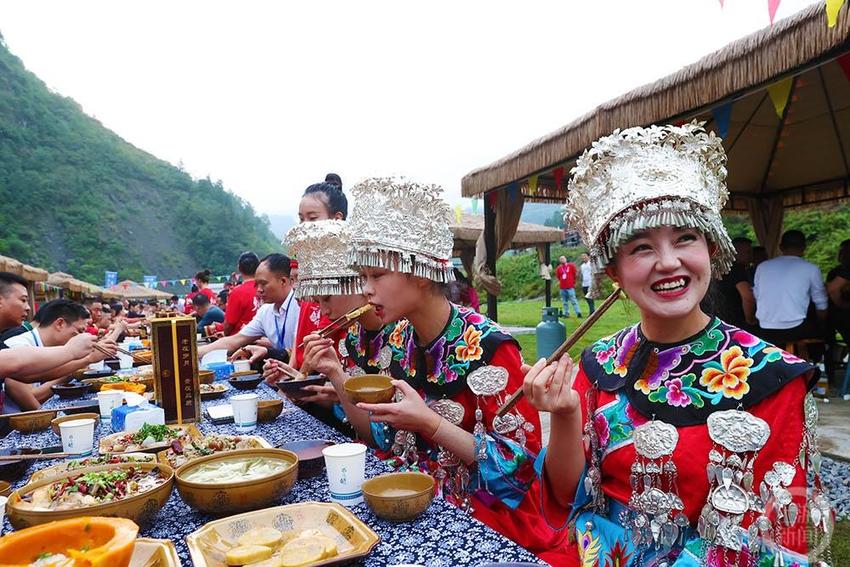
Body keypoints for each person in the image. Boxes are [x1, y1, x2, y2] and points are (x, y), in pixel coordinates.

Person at [523, 122, 832, 565]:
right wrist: (568, 414)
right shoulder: (600, 363)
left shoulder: (773, 378)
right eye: (642, 248)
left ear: (711, 248)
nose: (669, 263)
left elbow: (777, 537)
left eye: (685, 238)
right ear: (614, 272)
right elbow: (571, 494)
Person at [303, 178, 568, 563]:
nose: (367, 290)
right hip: (411, 500)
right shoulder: (398, 341)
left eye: (376, 276)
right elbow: (380, 436)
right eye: (363, 278)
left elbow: (521, 469)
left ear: (421, 272)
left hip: (488, 515)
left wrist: (432, 425)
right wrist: (337, 376)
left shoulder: (490, 347)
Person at [265, 219, 385, 437]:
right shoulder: (352, 337)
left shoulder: (399, 332)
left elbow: (383, 431)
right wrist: (301, 381)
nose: (323, 311)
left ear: (358, 284)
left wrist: (338, 389)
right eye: (318, 302)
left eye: (327, 298)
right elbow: (364, 426)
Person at [3, 300, 117, 412]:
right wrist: (83, 359)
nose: (80, 337)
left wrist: (87, 359)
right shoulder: (18, 345)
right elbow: (33, 394)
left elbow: (42, 374)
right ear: (60, 324)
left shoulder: (50, 345)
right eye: (79, 331)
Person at [197, 254, 299, 358]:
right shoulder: (265, 311)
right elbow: (235, 341)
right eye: (257, 284)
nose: (259, 290)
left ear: (283, 281)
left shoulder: (301, 307)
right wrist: (192, 353)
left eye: (263, 284)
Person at [754, 229, 828, 347]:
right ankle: (814, 362)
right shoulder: (811, 268)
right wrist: (822, 321)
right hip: (796, 329)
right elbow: (821, 303)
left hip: (765, 328)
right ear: (804, 248)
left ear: (781, 247)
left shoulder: (762, 267)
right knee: (827, 331)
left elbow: (757, 296)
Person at [709, 236, 757, 329]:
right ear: (736, 252)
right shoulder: (738, 270)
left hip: (719, 316)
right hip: (737, 319)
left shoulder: (720, 268)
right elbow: (747, 296)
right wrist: (750, 319)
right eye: (748, 252)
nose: (751, 256)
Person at [224, 251, 260, 336]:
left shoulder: (237, 292)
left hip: (241, 340)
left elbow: (228, 324)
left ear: (239, 268)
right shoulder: (267, 288)